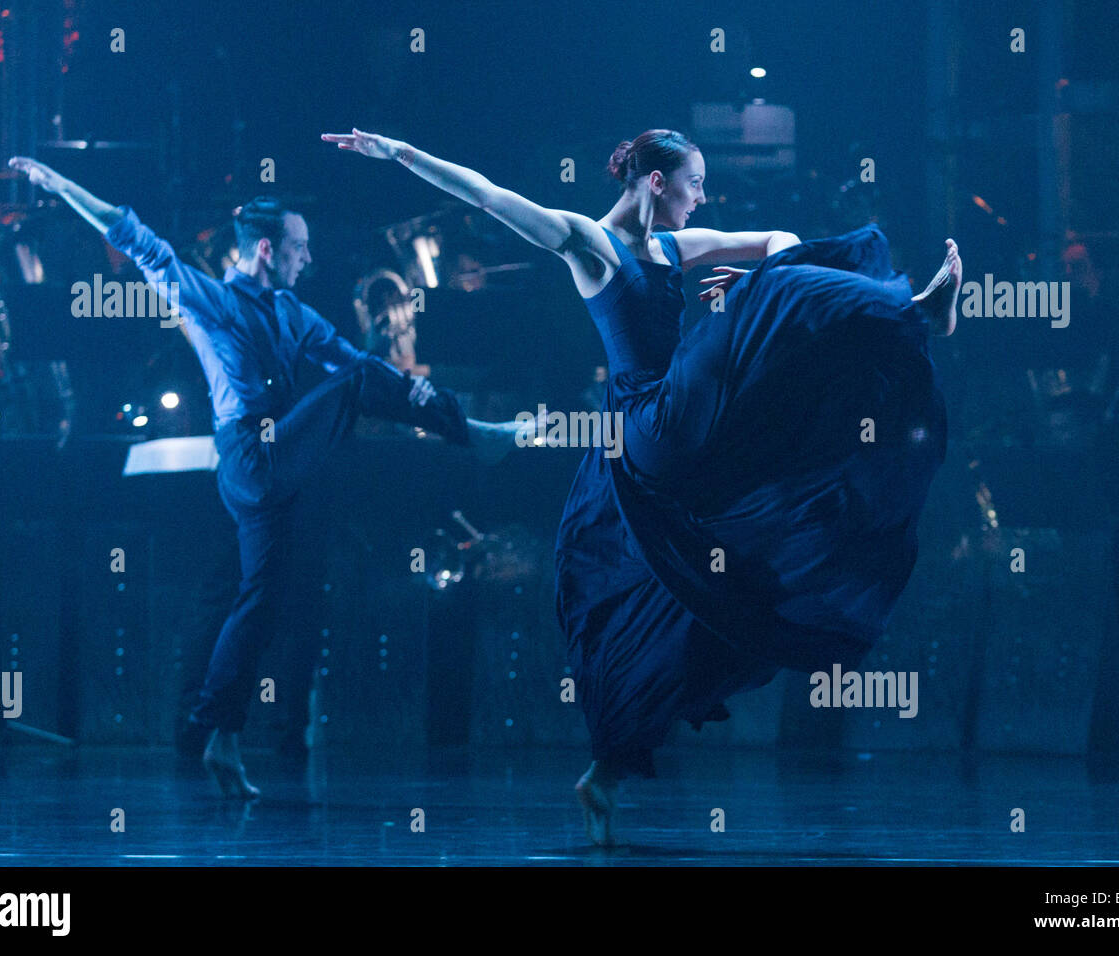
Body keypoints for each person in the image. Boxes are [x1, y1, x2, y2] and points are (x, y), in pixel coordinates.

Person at [320, 128, 960, 845]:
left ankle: (606, 773)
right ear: (655, 182)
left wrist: (760, 282)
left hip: (685, 426)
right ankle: (912, 311)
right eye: (694, 183)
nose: (703, 196)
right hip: (648, 424)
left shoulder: (673, 250)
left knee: (682, 607)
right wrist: (401, 153)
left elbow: (780, 238)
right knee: (756, 306)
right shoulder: (590, 243)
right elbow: (488, 194)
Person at [8, 156, 528, 798]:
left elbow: (353, 358)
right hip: (252, 459)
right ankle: (471, 435)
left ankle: (217, 734)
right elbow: (134, 238)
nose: (307, 261)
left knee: (258, 601)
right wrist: (62, 187)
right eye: (299, 248)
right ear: (265, 248)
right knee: (356, 382)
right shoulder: (211, 299)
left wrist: (411, 392)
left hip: (279, 460)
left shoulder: (290, 312)